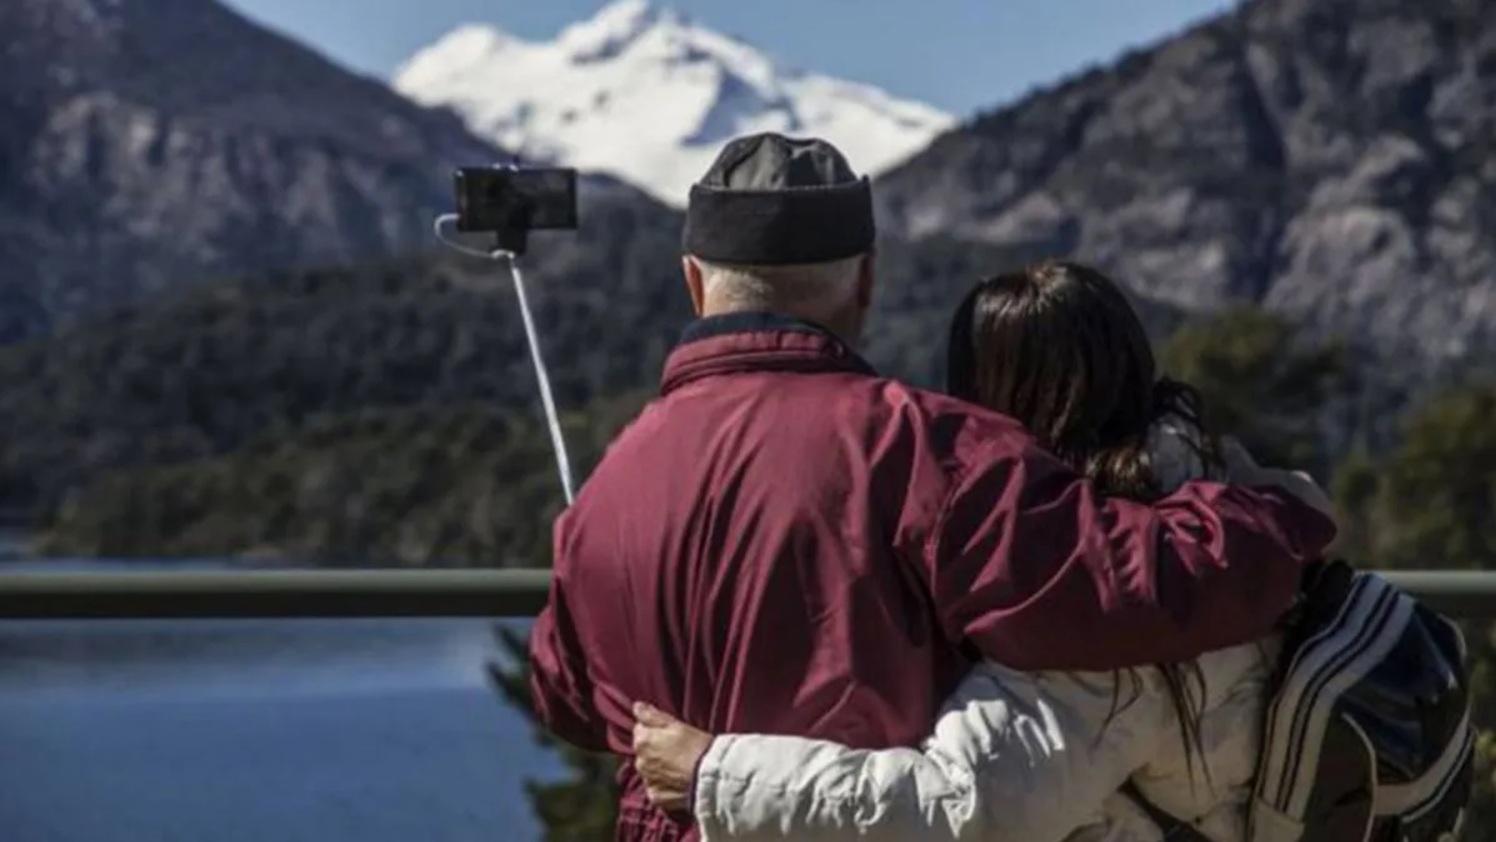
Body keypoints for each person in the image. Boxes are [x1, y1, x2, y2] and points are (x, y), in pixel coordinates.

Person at [528, 134, 1336, 842]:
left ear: (694, 283)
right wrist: (1275, 509)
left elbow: (564, 693)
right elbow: (1141, 587)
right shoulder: (928, 449)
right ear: (866, 282)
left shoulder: (606, 489)